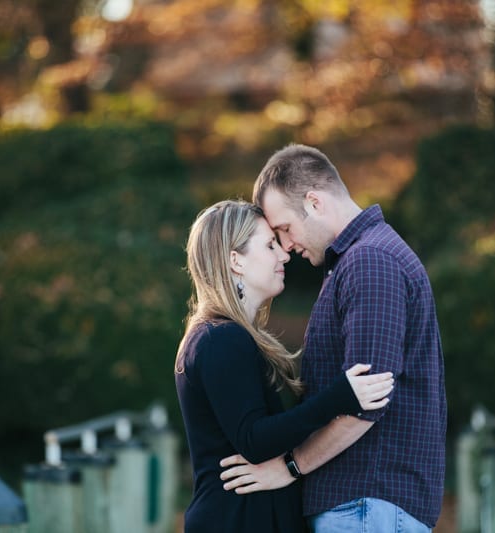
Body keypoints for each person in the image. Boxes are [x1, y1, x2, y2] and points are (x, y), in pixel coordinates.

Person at [220, 144, 447, 532]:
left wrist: (289, 467)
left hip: (367, 503)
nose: (287, 246)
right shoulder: (356, 262)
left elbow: (367, 403)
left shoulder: (371, 262)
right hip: (364, 506)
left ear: (314, 202)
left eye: (286, 229)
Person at [175, 199, 395, 533]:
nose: (283, 255)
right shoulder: (220, 338)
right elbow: (254, 438)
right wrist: (340, 397)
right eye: (269, 245)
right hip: (236, 520)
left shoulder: (221, 336)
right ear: (236, 260)